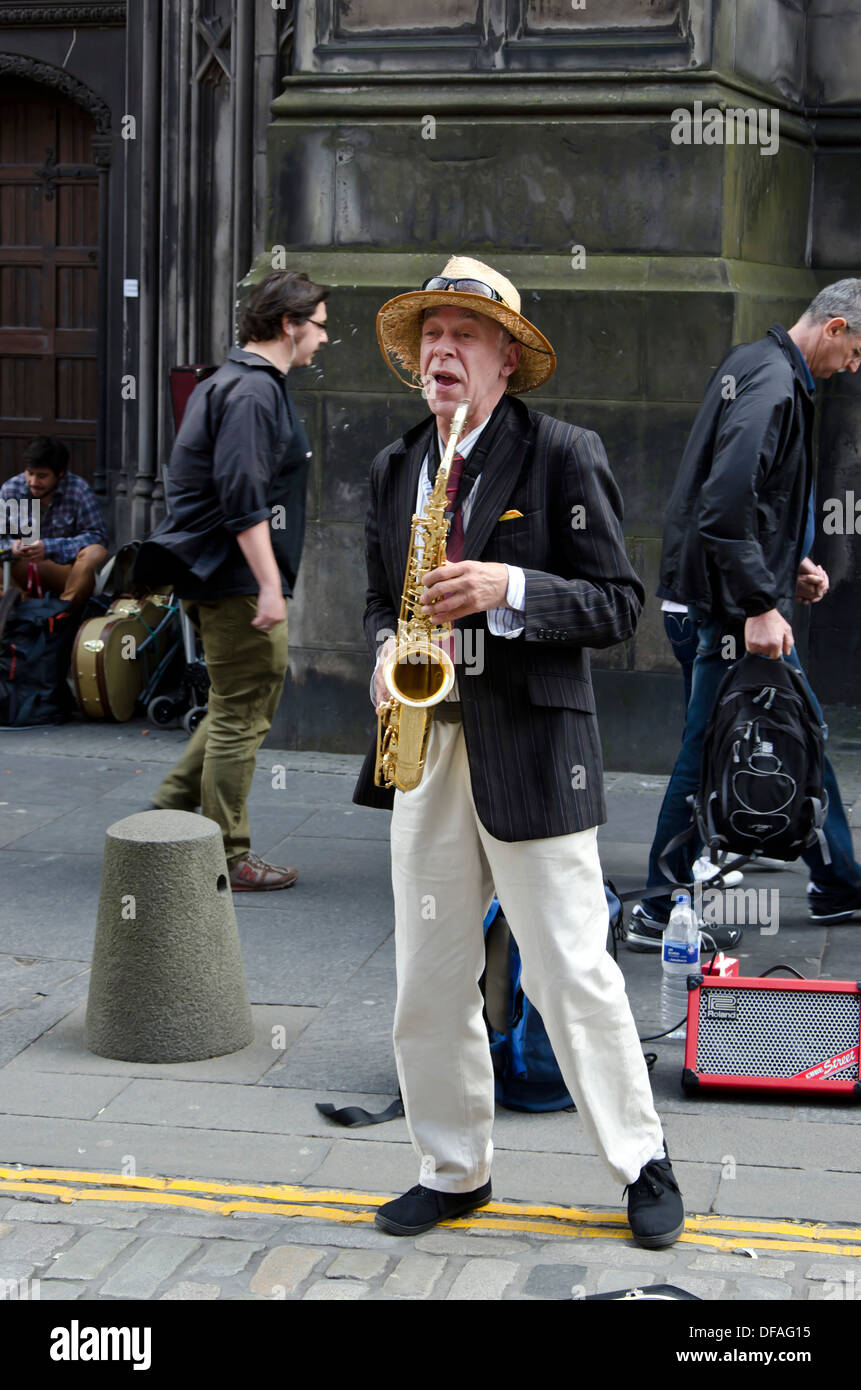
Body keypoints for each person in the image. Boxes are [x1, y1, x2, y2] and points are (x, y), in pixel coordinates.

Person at [354, 255, 685, 1248]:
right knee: (429, 973)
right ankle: (454, 1169)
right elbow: (380, 597)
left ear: (505, 359)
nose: (441, 350)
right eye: (430, 335)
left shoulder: (562, 454)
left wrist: (512, 588)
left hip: (534, 745)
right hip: (425, 745)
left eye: (464, 335)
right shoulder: (392, 465)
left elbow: (622, 605)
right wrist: (382, 651)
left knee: (571, 967)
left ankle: (643, 1160)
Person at [627, 279, 861, 952]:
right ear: (836, 328)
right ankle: (656, 906)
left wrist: (787, 567)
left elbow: (746, 504)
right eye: (853, 354)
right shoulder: (773, 384)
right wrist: (760, 602)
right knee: (709, 748)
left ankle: (838, 881)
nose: (852, 370)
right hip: (729, 610)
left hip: (723, 596)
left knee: (799, 727)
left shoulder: (755, 364)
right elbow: (723, 503)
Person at [136, 270, 329, 891]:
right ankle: (226, 855)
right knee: (241, 713)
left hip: (223, 577)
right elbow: (241, 497)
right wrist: (270, 585)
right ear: (287, 325)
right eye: (319, 325)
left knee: (232, 708)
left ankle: (164, 817)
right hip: (234, 580)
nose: (324, 338)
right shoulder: (250, 393)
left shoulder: (242, 385)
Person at [0, 436, 108, 606]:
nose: (34, 482)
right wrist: (12, 547)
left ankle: (61, 613)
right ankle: (24, 610)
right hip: (20, 568)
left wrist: (49, 547)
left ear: (60, 474)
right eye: (30, 473)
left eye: (42, 476)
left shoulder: (78, 490)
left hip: (64, 569)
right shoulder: (11, 489)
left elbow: (98, 536)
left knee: (96, 552)